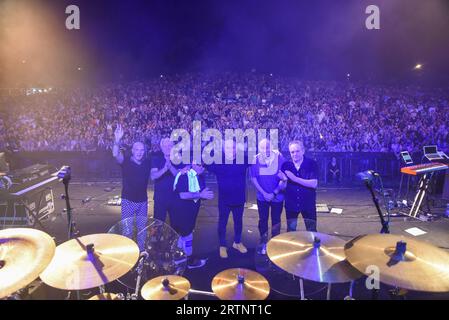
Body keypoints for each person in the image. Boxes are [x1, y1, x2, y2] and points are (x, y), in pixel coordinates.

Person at [207, 139, 249, 258]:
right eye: (229, 148)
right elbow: (203, 162)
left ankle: (237, 242)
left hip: (239, 199)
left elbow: (258, 158)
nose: (232, 150)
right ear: (224, 149)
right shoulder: (218, 161)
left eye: (234, 147)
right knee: (222, 223)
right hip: (224, 200)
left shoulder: (243, 159)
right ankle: (222, 245)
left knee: (238, 222)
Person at [112, 124, 151, 250]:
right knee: (127, 230)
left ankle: (141, 252)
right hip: (128, 201)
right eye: (137, 150)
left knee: (142, 230)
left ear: (144, 152)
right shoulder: (126, 162)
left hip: (142, 202)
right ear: (132, 151)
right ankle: (128, 253)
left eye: (141, 150)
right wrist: (117, 140)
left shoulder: (146, 163)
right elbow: (115, 155)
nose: (139, 153)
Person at [171, 162, 213, 268]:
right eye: (199, 165)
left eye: (204, 166)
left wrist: (204, 195)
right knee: (186, 235)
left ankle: (179, 260)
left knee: (183, 235)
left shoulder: (200, 177)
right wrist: (200, 194)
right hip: (180, 211)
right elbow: (182, 195)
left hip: (192, 211)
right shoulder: (185, 175)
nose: (202, 168)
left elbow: (200, 192)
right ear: (192, 164)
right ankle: (189, 261)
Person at [250, 139, 286, 254]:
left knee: (276, 221)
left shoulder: (280, 157)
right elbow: (253, 178)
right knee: (263, 220)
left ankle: (275, 243)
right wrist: (264, 193)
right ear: (259, 149)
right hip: (262, 197)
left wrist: (274, 193)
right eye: (263, 147)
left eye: (267, 147)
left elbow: (284, 178)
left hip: (278, 196)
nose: (266, 150)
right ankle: (263, 243)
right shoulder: (255, 159)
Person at [282, 140, 318, 232]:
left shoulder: (311, 164)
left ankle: (313, 247)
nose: (295, 154)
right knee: (291, 231)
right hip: (291, 204)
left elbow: (314, 184)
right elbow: (281, 179)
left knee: (312, 231)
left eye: (297, 151)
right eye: (292, 152)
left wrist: (294, 179)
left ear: (303, 151)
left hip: (308, 204)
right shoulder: (286, 165)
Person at [150, 138, 185, 223]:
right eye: (165, 146)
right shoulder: (156, 159)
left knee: (176, 225)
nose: (167, 147)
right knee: (158, 225)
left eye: (170, 145)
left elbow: (180, 177)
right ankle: (158, 237)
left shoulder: (179, 160)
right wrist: (165, 169)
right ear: (161, 148)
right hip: (160, 199)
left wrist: (170, 167)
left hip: (176, 198)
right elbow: (153, 176)